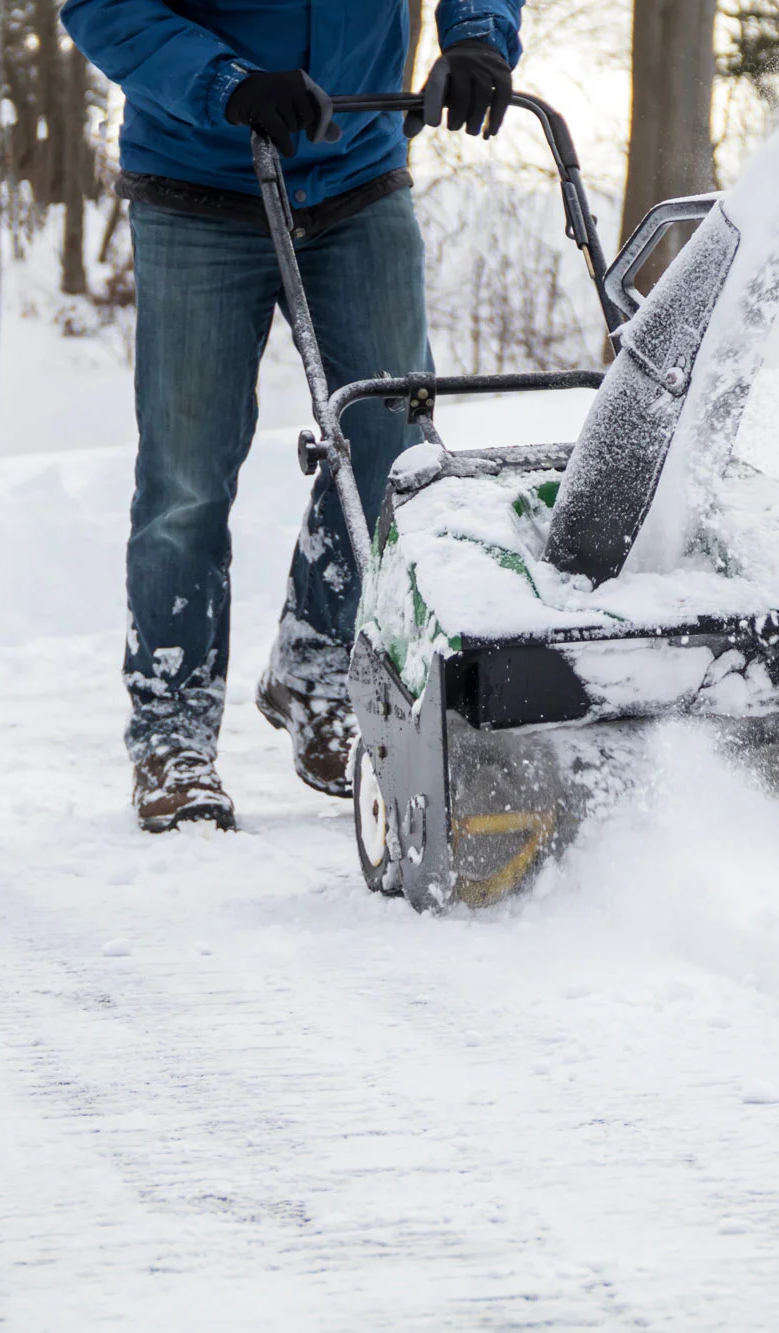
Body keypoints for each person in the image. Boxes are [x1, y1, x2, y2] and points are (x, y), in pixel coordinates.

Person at [60, 0, 524, 832]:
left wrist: (477, 37)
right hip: (199, 177)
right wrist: (225, 84)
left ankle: (315, 669)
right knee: (186, 479)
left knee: (393, 448)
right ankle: (171, 735)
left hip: (357, 169)